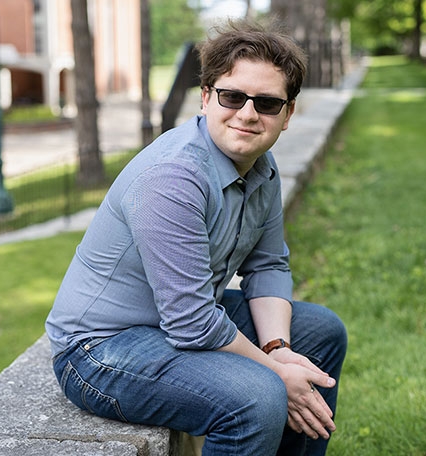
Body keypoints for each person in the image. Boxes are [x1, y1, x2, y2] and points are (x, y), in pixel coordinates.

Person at [46, 19, 347, 456]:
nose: (247, 113)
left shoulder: (262, 167)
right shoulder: (172, 176)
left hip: (173, 322)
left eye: (266, 103)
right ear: (206, 98)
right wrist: (278, 376)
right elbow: (190, 321)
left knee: (320, 331)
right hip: (99, 349)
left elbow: (267, 267)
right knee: (257, 398)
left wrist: (278, 350)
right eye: (232, 96)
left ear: (287, 114)